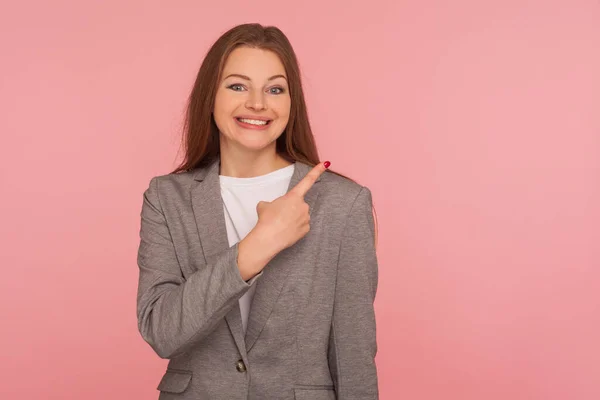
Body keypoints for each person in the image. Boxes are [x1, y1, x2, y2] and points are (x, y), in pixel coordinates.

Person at [136, 23, 379, 400]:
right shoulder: (167, 198)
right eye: (237, 86)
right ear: (210, 97)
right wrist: (258, 245)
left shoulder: (342, 203)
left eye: (275, 89)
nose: (257, 103)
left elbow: (354, 353)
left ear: (290, 102)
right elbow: (162, 331)